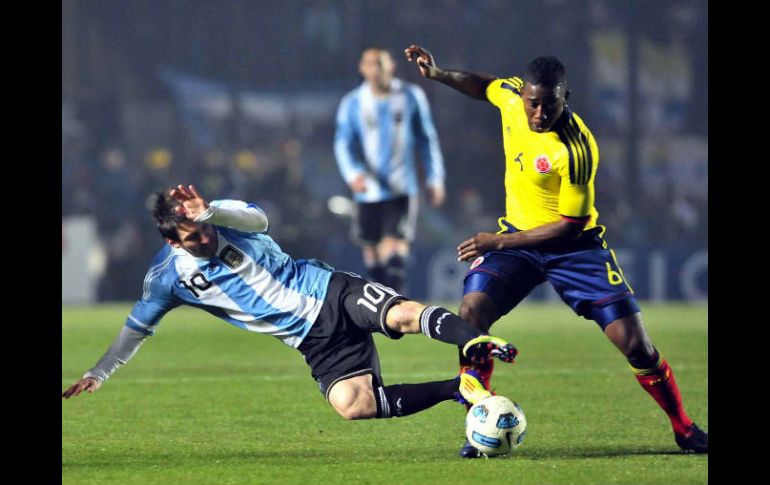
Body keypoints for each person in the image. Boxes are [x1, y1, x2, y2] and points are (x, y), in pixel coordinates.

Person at [404, 44, 708, 456]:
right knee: (472, 312)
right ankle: (480, 424)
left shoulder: (577, 148)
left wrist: (498, 241)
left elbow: (570, 225)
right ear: (524, 96)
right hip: (517, 243)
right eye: (533, 104)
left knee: (635, 344)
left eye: (550, 105)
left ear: (566, 97)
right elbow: (484, 86)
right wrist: (439, 74)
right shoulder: (512, 97)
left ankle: (685, 429)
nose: (539, 114)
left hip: (574, 249)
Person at [62, 185, 517, 427]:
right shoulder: (167, 278)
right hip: (311, 340)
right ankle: (458, 389)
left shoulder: (223, 221)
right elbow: (136, 327)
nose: (204, 238)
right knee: (353, 406)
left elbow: (258, 218)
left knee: (401, 314)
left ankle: (478, 341)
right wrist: (99, 372)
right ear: (169, 240)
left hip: (329, 291)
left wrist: (212, 212)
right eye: (193, 237)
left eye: (203, 229)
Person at [334, 46, 446, 294]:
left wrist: (435, 177)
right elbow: (343, 143)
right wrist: (352, 174)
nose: (377, 70)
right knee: (371, 249)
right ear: (362, 68)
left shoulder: (409, 96)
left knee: (396, 244)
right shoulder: (353, 102)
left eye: (381, 64)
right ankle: (383, 293)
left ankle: (395, 293)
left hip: (401, 185)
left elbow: (426, 138)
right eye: (371, 64)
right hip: (368, 189)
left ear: (391, 66)